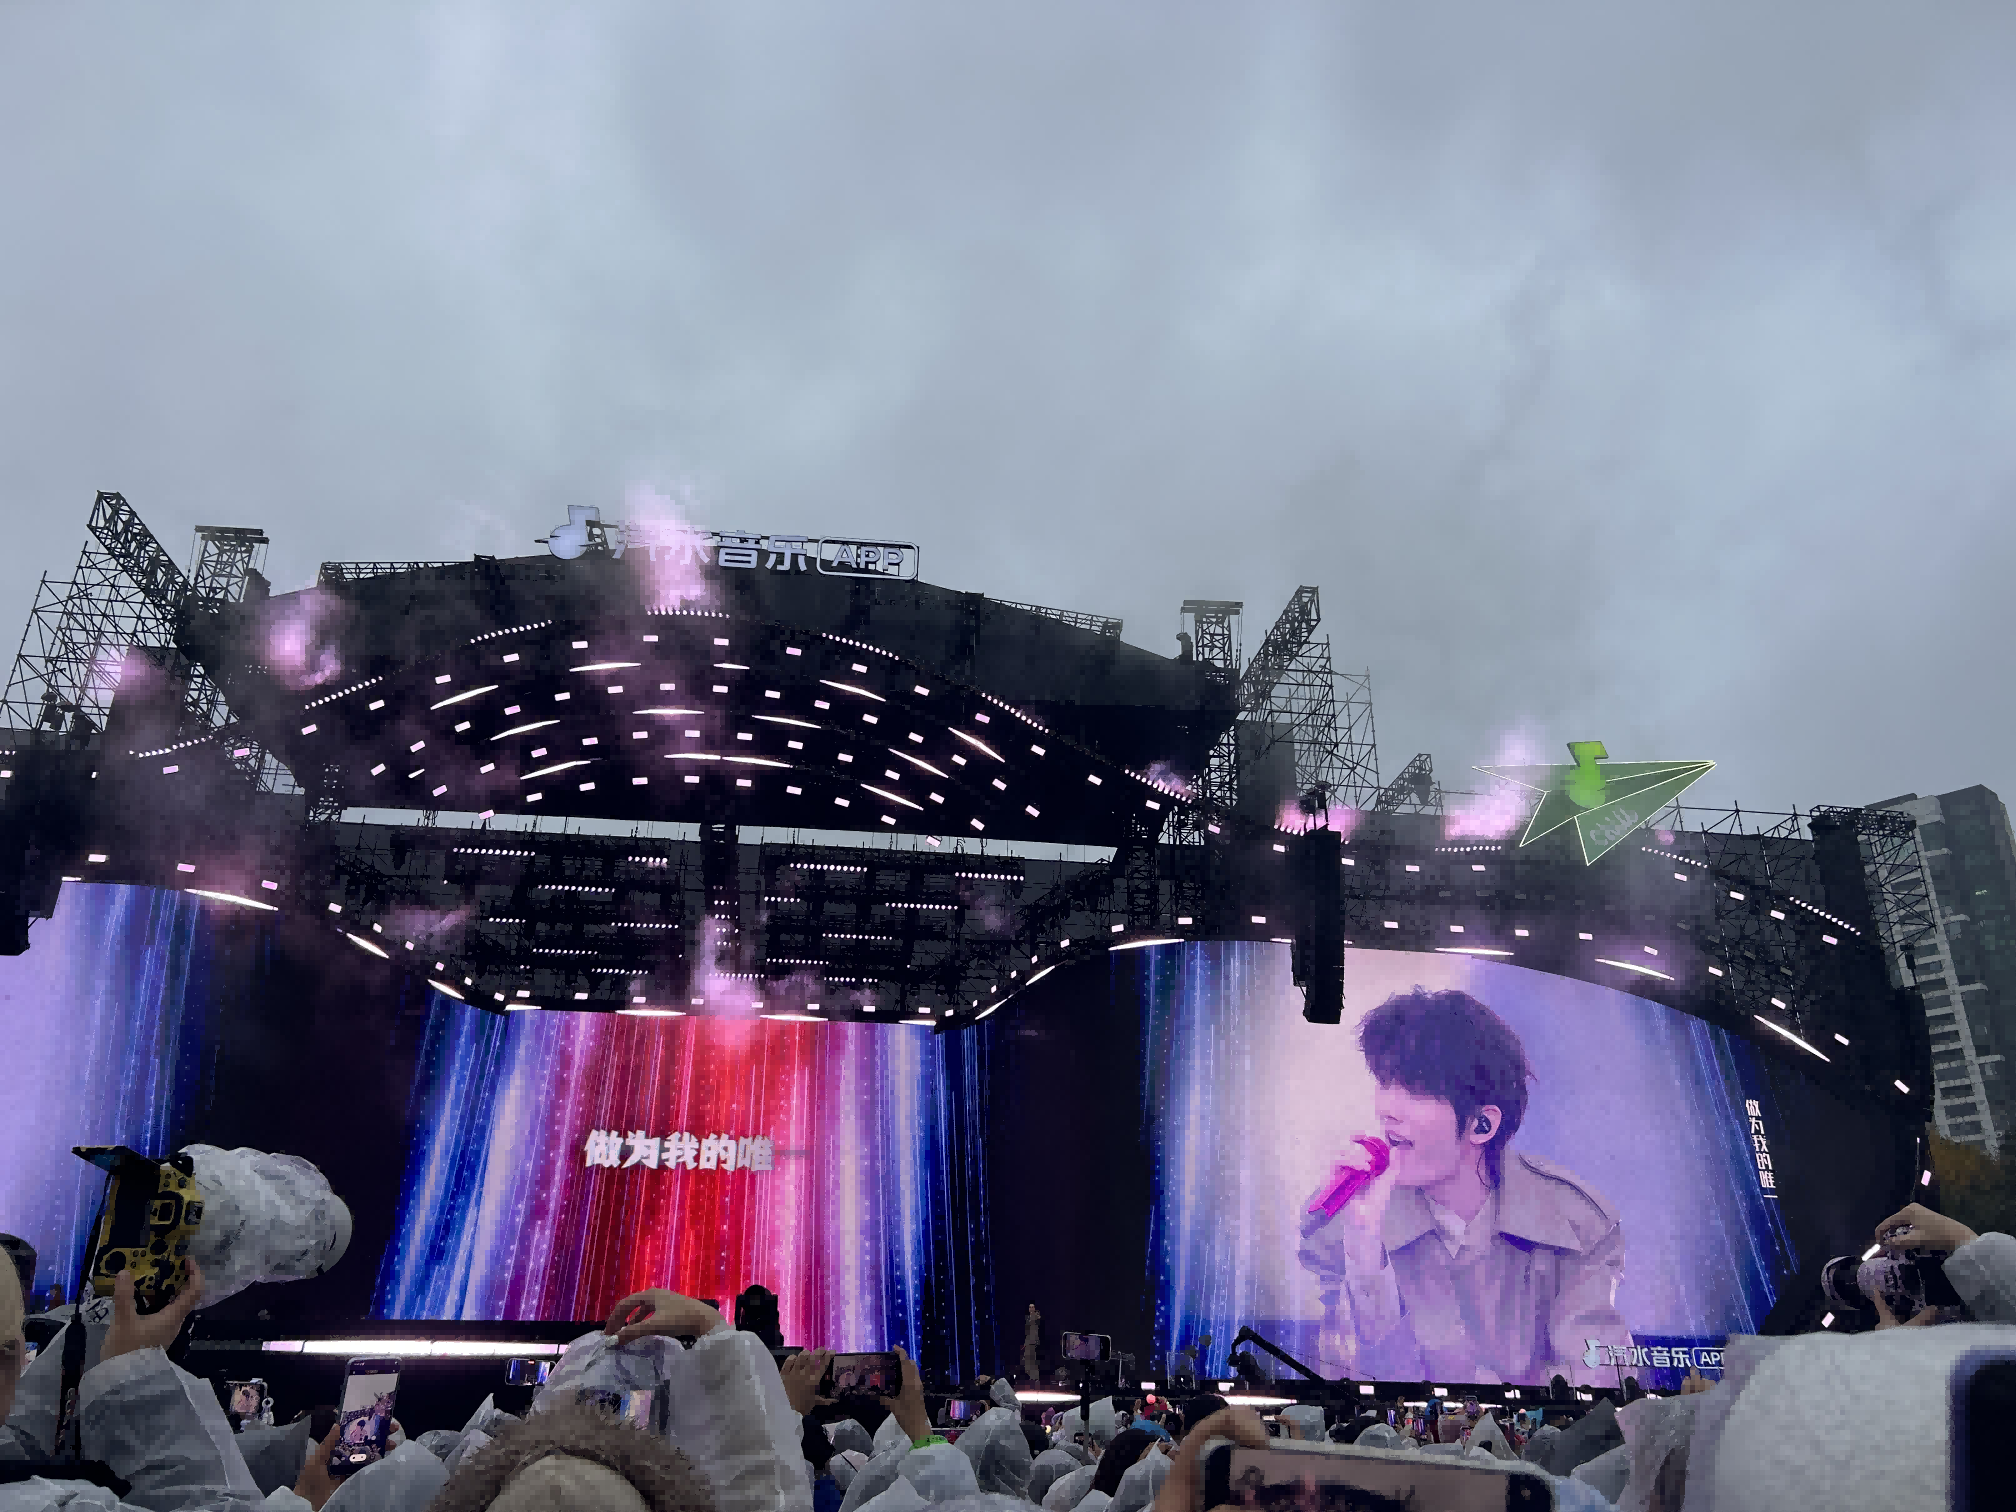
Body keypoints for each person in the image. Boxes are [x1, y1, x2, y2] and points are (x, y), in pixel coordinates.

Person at [1297, 987, 1626, 1384]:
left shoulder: (1578, 1223)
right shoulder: (1339, 1218)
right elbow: (1337, 1385)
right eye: (1384, 1082)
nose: (1387, 1109)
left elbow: (1599, 1385)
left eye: (1416, 1091)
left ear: (1482, 1124)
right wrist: (1364, 1254)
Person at [1020, 1304, 1041, 1383]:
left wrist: (1035, 1315)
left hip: (1033, 1341)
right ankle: (1032, 1377)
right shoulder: (1028, 1317)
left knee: (1032, 1360)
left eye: (1032, 1307)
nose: (1031, 1308)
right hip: (1028, 1340)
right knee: (1027, 1360)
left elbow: (1038, 1319)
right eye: (1030, 1307)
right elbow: (1027, 1330)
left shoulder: (1036, 1316)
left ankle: (1035, 1377)